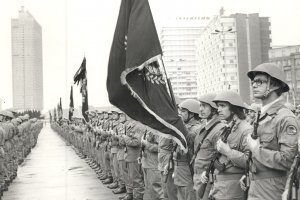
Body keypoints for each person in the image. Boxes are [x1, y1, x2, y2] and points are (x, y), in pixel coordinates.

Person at [243, 63, 300, 200]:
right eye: (253, 82)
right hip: (256, 186)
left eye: (259, 82)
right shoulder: (262, 115)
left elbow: (288, 160)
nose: (254, 85)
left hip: (273, 191)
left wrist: (257, 149)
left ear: (274, 85)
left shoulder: (285, 118)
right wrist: (249, 175)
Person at [206, 91, 252, 200]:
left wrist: (229, 152)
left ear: (234, 108)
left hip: (233, 191)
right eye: (218, 106)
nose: (218, 109)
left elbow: (251, 162)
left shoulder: (246, 130)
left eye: (223, 106)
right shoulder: (226, 129)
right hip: (219, 188)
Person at [193, 93, 225, 200]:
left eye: (204, 106)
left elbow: (220, 158)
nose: (201, 109)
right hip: (198, 177)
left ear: (214, 109)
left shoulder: (219, 129)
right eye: (200, 105)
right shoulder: (203, 127)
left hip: (208, 178)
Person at [174, 99, 202, 200]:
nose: (180, 113)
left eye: (183, 111)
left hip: (188, 169)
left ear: (192, 114)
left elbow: (189, 140)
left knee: (189, 195)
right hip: (180, 169)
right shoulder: (186, 127)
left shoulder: (197, 128)